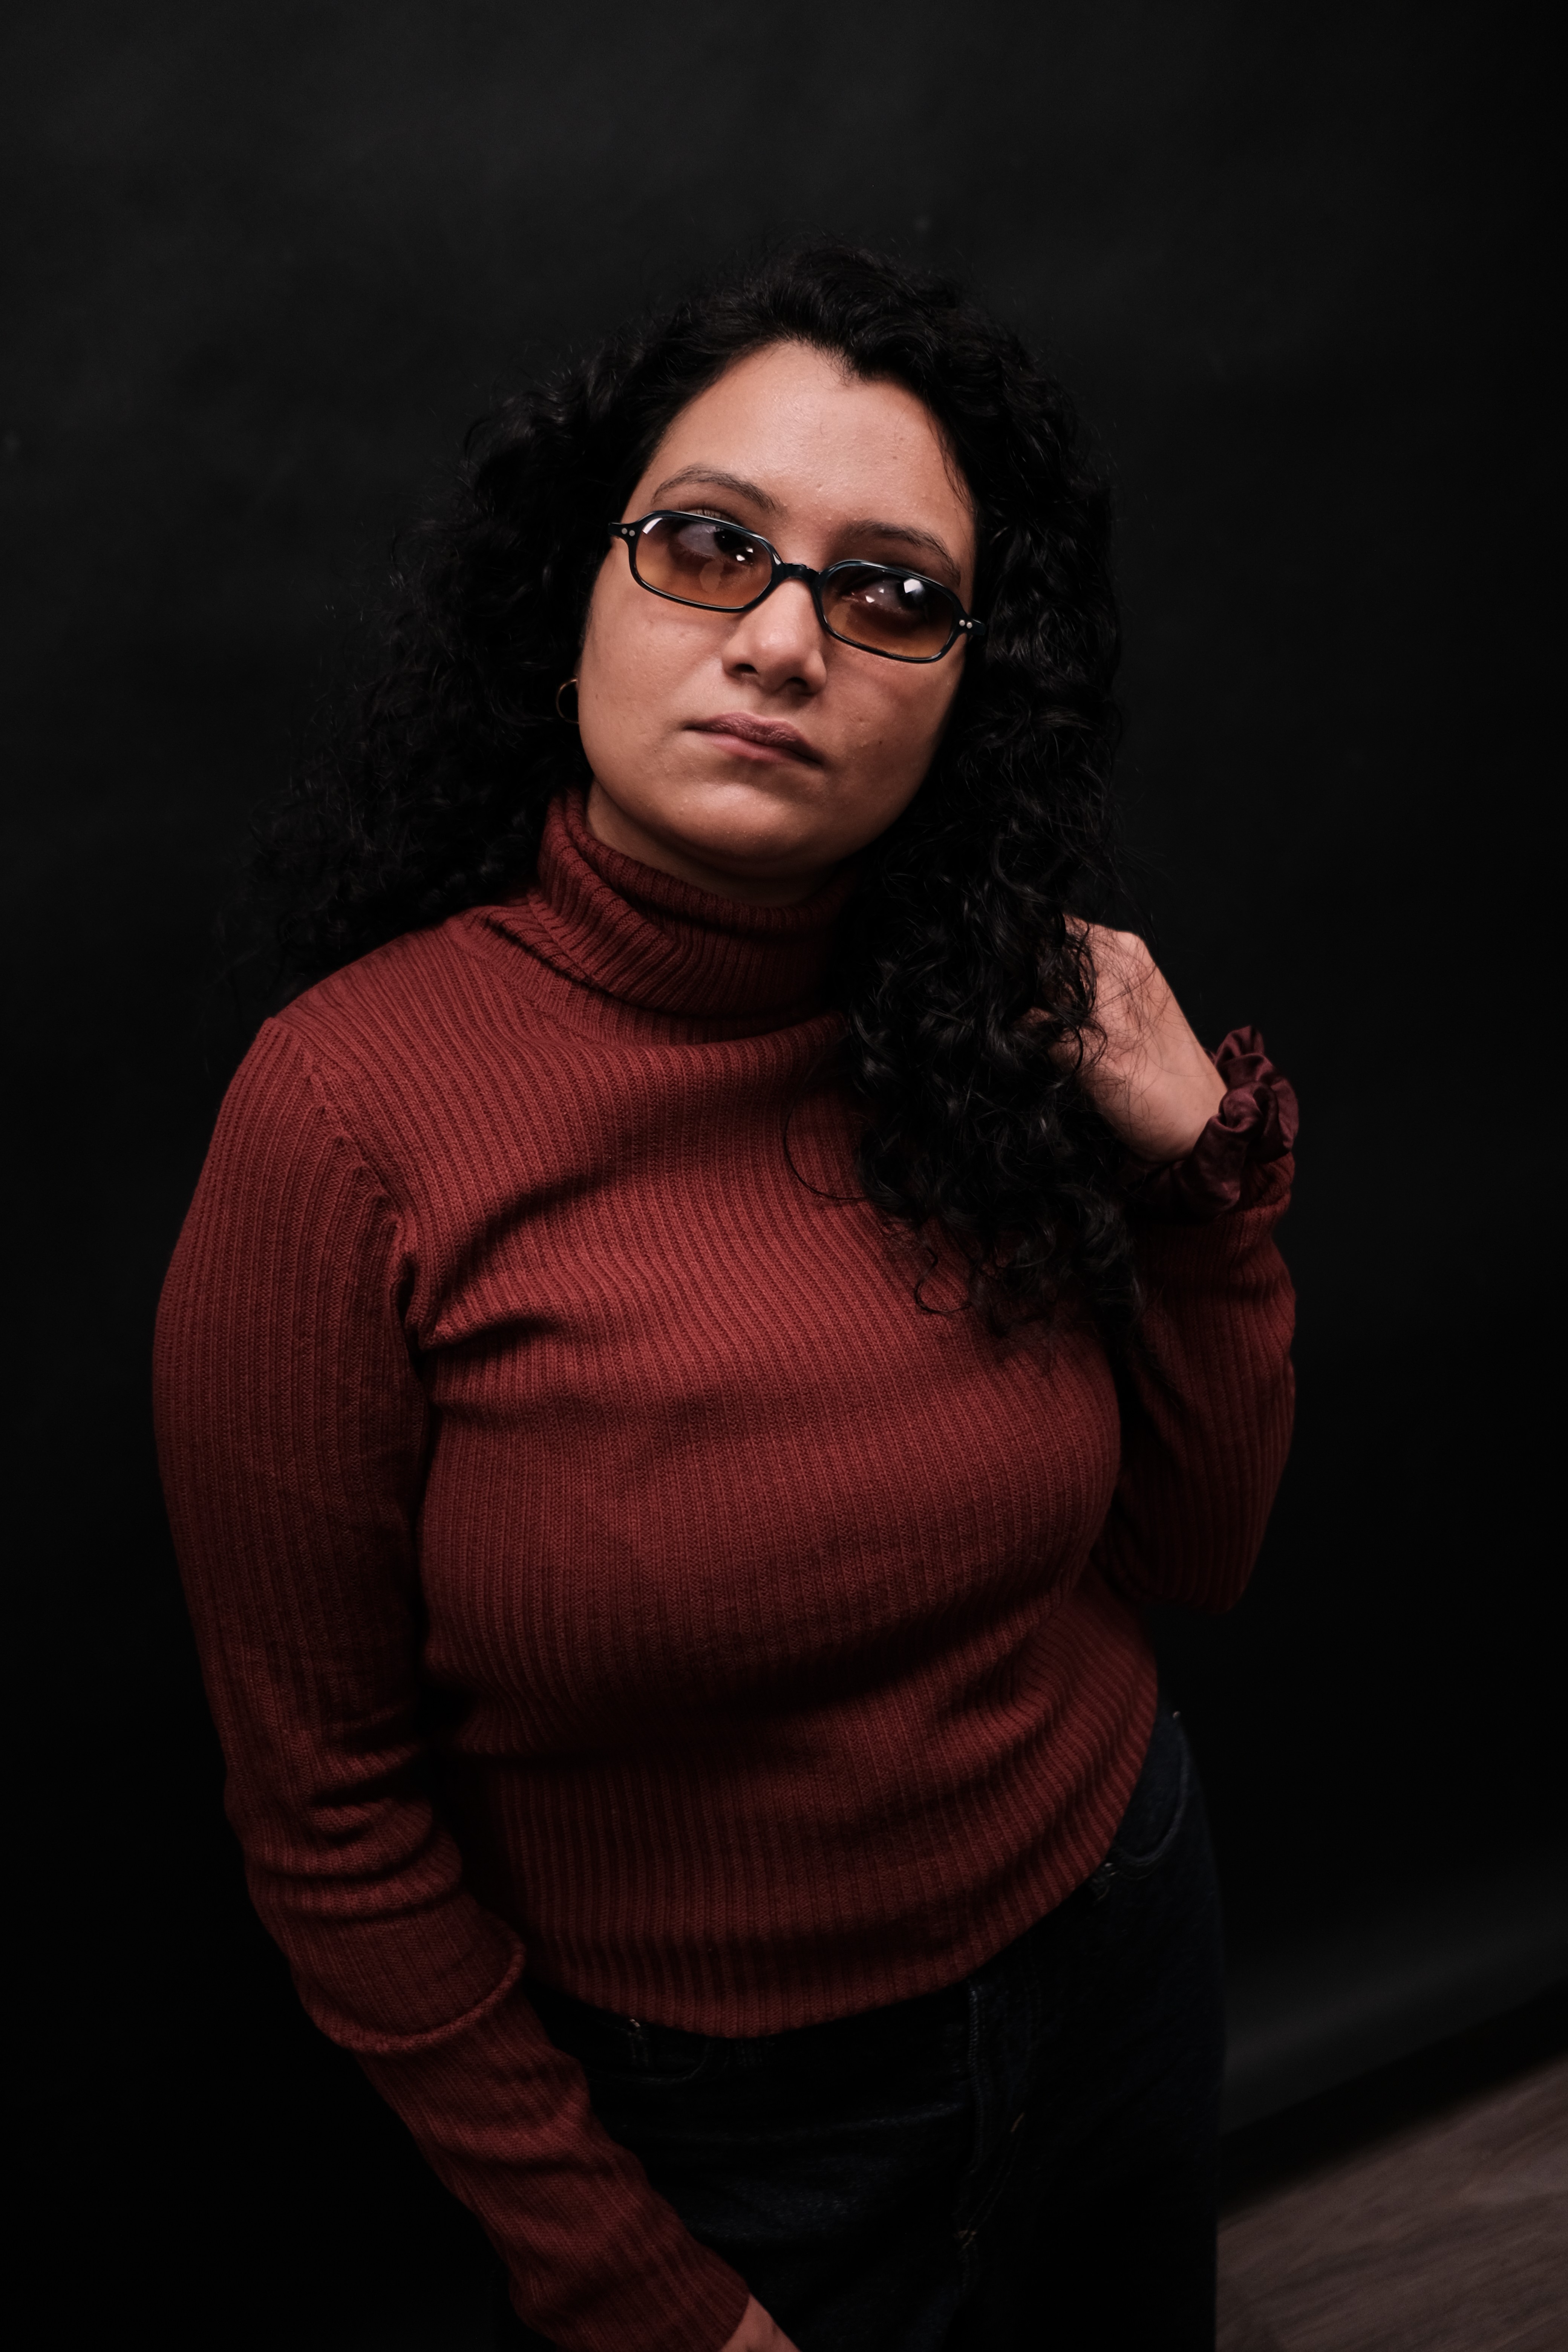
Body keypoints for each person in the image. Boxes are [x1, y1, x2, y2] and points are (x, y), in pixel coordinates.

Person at [153, 243, 1297, 2352]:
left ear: (966, 683)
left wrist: (1199, 1194)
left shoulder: (988, 1020)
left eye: (892, 594)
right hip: (727, 2129)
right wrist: (645, 2299)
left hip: (1121, 1946)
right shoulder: (344, 1118)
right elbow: (328, 1826)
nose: (784, 640)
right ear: (576, 587)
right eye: (709, 546)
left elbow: (1197, 1553)